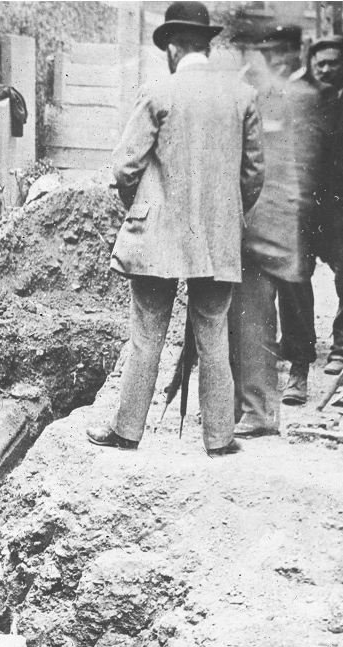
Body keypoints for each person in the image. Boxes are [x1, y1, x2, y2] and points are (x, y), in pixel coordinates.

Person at [86, 0, 264, 456]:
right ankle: (220, 439)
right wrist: (223, 216)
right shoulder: (242, 96)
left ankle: (126, 431)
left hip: (157, 236)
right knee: (213, 334)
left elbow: (125, 167)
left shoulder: (158, 92)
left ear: (175, 47)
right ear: (204, 44)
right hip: (216, 239)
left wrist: (145, 207)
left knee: (146, 334)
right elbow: (253, 176)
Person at [230, 29, 321, 438]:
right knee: (252, 321)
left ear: (292, 54)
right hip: (258, 226)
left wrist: (293, 231)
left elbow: (305, 173)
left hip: (284, 229)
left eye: (278, 52)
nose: (272, 60)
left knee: (278, 320)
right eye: (267, 52)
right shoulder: (263, 93)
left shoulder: (302, 96)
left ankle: (264, 407)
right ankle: (253, 407)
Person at [277, 36, 343, 405]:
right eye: (321, 63)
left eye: (335, 62)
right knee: (294, 283)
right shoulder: (295, 97)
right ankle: (299, 365)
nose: (328, 69)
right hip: (302, 208)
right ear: (311, 65)